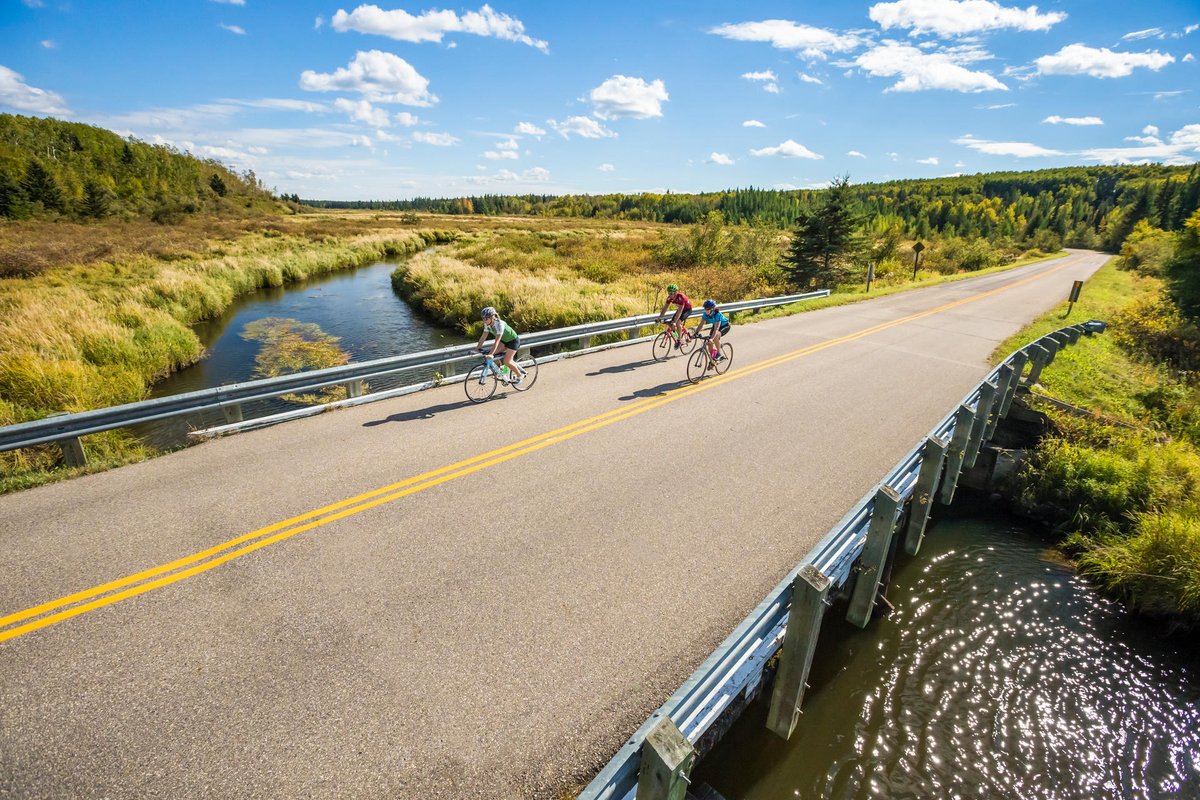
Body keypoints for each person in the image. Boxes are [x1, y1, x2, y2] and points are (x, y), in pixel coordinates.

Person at [476, 306, 526, 383]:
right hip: (504, 341)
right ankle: (501, 373)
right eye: (483, 319)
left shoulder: (499, 324)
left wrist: (491, 354)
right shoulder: (487, 324)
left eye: (486, 318)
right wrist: (477, 349)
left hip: (513, 341)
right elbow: (483, 337)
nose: (484, 320)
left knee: (506, 361)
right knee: (491, 356)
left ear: (492, 317)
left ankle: (520, 376)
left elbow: (497, 341)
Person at [698, 299, 730, 364]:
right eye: (705, 309)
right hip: (715, 326)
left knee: (715, 337)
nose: (706, 310)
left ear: (712, 309)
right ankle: (713, 360)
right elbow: (701, 325)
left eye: (707, 309)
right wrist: (695, 334)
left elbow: (717, 328)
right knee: (709, 342)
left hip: (724, 326)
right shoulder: (705, 314)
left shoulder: (717, 314)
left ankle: (718, 353)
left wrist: (712, 338)